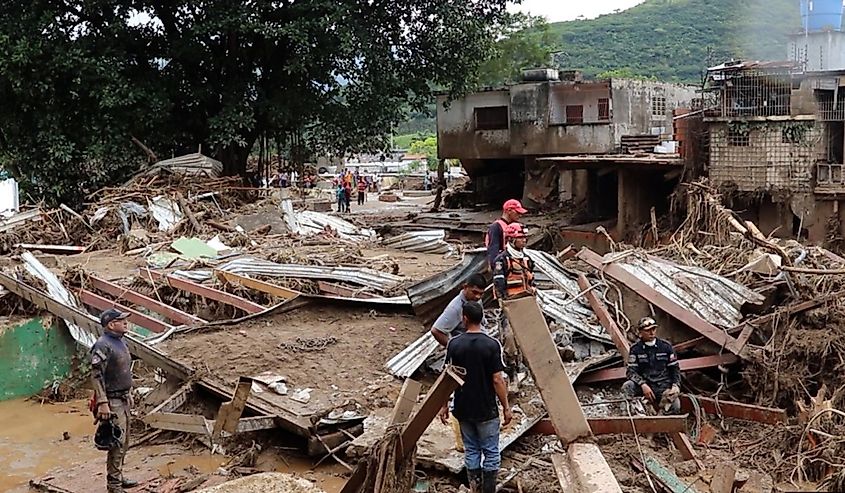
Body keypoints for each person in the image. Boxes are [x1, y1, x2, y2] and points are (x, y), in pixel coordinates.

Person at [440, 301, 511, 493]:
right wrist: (506, 407)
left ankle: (474, 488)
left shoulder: (454, 344)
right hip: (486, 409)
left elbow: (447, 378)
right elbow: (497, 379)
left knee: (471, 450)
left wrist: (444, 405)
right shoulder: (491, 345)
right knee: (490, 451)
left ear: (464, 318)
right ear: (482, 318)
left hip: (463, 408)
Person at [90, 308, 136, 493]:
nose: (126, 322)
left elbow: (123, 371)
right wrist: (102, 402)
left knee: (124, 441)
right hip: (112, 401)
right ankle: (114, 485)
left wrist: (129, 392)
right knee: (116, 442)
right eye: (122, 320)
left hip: (123, 398)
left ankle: (118, 476)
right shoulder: (103, 345)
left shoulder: (120, 342)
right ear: (111, 324)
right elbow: (96, 375)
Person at [623, 317, 682, 414]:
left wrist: (676, 386)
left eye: (653, 329)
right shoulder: (636, 349)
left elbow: (675, 369)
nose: (652, 333)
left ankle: (661, 420)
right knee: (628, 386)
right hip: (646, 385)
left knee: (675, 406)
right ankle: (633, 414)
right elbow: (630, 371)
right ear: (640, 332)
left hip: (663, 386)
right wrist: (643, 384)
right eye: (648, 330)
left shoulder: (666, 347)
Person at [430, 273, 487, 348]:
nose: (477, 297)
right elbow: (436, 331)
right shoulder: (455, 308)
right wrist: (455, 348)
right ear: (465, 287)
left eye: (481, 294)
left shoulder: (474, 300)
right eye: (474, 292)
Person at [492, 223, 536, 300]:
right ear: (511, 239)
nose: (524, 240)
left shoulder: (527, 259)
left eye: (524, 237)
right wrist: (503, 299)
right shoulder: (502, 259)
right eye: (520, 238)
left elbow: (531, 280)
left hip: (528, 298)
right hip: (511, 300)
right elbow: (498, 283)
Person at [485, 199, 527, 270]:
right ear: (509, 211)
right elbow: (493, 250)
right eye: (517, 212)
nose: (520, 215)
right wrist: (496, 268)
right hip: (503, 265)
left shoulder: (516, 226)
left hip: (515, 264)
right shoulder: (496, 227)